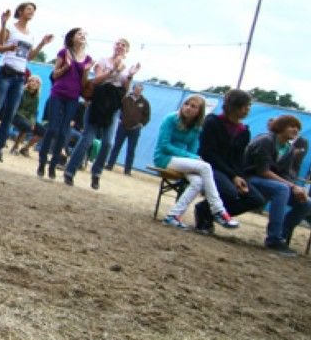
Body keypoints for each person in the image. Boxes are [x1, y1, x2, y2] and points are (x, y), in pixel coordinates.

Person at [0, 1, 52, 160]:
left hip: (20, 76)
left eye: (33, 10)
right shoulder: (11, 28)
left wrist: (42, 44)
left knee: (10, 113)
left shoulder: (30, 34)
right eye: (29, 9)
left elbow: (29, 57)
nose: (31, 12)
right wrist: (4, 27)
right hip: (6, 71)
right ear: (20, 11)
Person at [64, 38, 140, 190]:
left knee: (108, 142)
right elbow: (96, 81)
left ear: (127, 50)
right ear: (114, 46)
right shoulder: (103, 61)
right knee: (87, 139)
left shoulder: (127, 68)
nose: (120, 46)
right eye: (118, 44)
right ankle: (70, 171)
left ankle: (96, 173)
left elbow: (125, 91)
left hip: (113, 107)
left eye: (124, 45)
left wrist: (130, 76)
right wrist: (113, 70)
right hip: (97, 103)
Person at [155, 95, 240, 230]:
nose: (188, 108)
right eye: (186, 104)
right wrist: (191, 157)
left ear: (200, 111)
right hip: (164, 158)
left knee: (198, 182)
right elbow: (164, 146)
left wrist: (192, 157)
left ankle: (173, 216)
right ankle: (219, 210)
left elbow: (193, 150)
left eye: (193, 106)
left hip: (182, 161)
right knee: (205, 167)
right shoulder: (170, 119)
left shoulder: (197, 127)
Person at [195, 89, 270, 240]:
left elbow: (239, 159)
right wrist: (233, 176)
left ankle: (206, 211)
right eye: (245, 105)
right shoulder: (212, 122)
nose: (247, 109)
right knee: (230, 192)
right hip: (210, 167)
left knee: (256, 199)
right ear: (233, 106)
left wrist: (240, 177)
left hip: (231, 173)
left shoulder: (244, 131)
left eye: (249, 106)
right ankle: (205, 214)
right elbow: (208, 153)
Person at [243, 114, 311, 255]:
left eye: (298, 128)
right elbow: (263, 171)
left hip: (270, 183)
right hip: (249, 178)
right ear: (281, 126)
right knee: (282, 189)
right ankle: (274, 239)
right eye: (292, 126)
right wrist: (291, 186)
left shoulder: (288, 148)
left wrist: (298, 188)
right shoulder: (266, 140)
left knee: (307, 202)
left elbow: (285, 175)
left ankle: (281, 236)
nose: (296, 130)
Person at [35, 27, 92, 179]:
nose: (82, 36)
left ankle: (53, 165)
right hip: (58, 94)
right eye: (79, 33)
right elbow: (54, 75)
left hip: (73, 98)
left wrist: (86, 71)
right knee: (52, 128)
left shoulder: (87, 59)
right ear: (72, 37)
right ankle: (42, 162)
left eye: (84, 34)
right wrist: (66, 66)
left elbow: (83, 83)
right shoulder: (63, 52)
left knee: (63, 132)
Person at [107, 82, 152, 175]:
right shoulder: (125, 99)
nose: (138, 91)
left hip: (135, 129)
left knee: (131, 150)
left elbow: (147, 116)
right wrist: (119, 119)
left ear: (142, 91)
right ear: (133, 89)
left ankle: (127, 170)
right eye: (136, 89)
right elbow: (118, 109)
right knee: (116, 146)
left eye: (140, 90)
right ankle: (110, 165)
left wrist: (141, 124)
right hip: (122, 127)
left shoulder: (145, 102)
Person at [9, 75, 44, 156]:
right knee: (26, 125)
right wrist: (29, 122)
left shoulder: (36, 97)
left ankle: (25, 148)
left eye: (37, 82)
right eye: (32, 81)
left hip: (28, 119)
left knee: (42, 131)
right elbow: (17, 107)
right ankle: (15, 147)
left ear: (39, 86)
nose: (34, 83)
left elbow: (33, 112)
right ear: (28, 82)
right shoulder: (22, 92)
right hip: (16, 115)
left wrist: (32, 123)